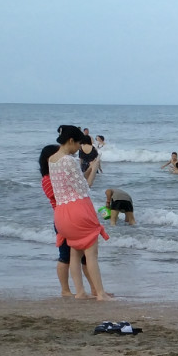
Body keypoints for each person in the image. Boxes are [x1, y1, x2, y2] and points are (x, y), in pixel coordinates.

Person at [51, 125, 111, 298]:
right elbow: (85, 187)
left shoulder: (52, 159)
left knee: (74, 253)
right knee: (91, 254)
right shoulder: (69, 160)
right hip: (78, 211)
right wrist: (94, 167)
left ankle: (80, 292)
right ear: (70, 141)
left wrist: (88, 168)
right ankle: (100, 294)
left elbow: (70, 184)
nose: (79, 148)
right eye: (78, 144)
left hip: (61, 214)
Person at [38, 144, 76, 296]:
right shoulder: (47, 179)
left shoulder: (57, 177)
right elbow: (60, 196)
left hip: (71, 216)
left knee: (83, 256)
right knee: (65, 256)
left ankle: (94, 289)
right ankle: (65, 290)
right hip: (62, 219)